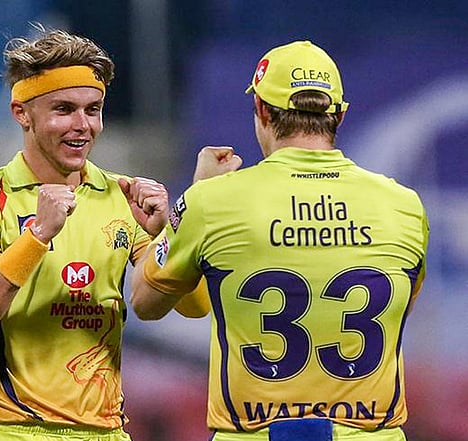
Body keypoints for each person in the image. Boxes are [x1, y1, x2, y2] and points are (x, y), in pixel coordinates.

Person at [131, 40, 429, 441]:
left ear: (262, 110)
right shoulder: (404, 205)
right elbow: (399, 313)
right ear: (340, 115)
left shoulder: (211, 202)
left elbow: (146, 302)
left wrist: (187, 206)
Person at [0, 26, 209, 441]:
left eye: (93, 109)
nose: (83, 125)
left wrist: (168, 236)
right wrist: (37, 236)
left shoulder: (122, 196)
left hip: (106, 432)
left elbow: (193, 306)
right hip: (15, 431)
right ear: (21, 113)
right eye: (64, 109)